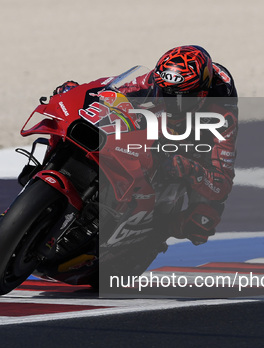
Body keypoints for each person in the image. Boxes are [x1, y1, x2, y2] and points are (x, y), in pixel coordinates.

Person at [54, 45, 238, 246]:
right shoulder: (155, 79)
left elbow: (221, 183)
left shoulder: (222, 116)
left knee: (202, 221)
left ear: (201, 95)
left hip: (190, 151)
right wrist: (78, 92)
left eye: (179, 99)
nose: (169, 102)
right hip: (155, 129)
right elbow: (114, 93)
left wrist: (191, 168)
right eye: (164, 93)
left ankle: (153, 233)